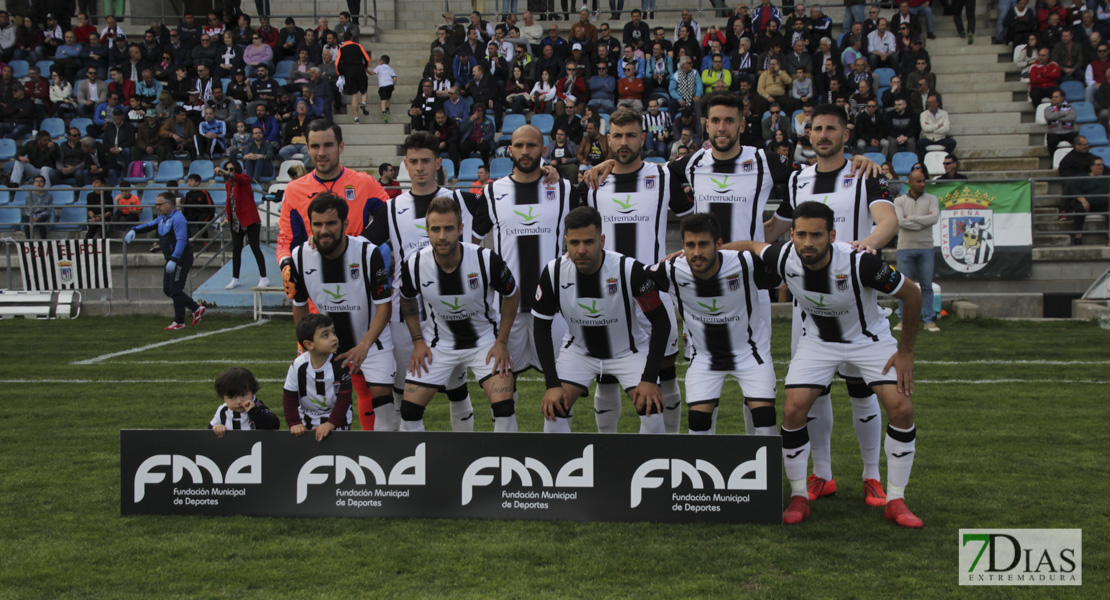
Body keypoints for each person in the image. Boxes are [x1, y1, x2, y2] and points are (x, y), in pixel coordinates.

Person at [731, 201, 925, 528]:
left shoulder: (861, 263)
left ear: (832, 235)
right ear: (791, 234)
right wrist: (707, 253)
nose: (808, 243)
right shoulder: (783, 256)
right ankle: (798, 497)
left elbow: (913, 294)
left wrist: (905, 352)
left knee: (901, 408)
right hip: (818, 342)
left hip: (869, 341)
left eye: (817, 235)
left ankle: (896, 500)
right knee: (793, 410)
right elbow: (751, 245)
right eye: (801, 234)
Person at [763, 103, 898, 506]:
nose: (822, 135)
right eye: (816, 128)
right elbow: (776, 229)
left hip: (854, 298)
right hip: (810, 305)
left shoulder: (864, 173)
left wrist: (868, 246)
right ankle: (823, 475)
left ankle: (872, 476)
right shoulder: (797, 179)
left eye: (830, 129)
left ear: (845, 133)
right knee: (814, 392)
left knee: (862, 389)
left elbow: (888, 221)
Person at [582, 107, 691, 433]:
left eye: (631, 135)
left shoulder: (663, 176)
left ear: (643, 137)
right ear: (608, 139)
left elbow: (694, 219)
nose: (624, 142)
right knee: (607, 375)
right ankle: (608, 447)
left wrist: (683, 254)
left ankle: (669, 448)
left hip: (654, 292)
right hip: (608, 295)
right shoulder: (593, 182)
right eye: (617, 135)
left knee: (666, 371)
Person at [532, 206, 670, 434]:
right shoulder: (553, 272)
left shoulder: (628, 269)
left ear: (602, 240)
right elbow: (541, 328)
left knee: (651, 411)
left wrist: (648, 378)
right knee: (554, 412)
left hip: (629, 352)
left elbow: (661, 322)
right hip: (579, 352)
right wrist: (552, 385)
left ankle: (652, 468)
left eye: (589, 242)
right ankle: (560, 469)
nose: (581, 249)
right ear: (566, 241)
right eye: (574, 243)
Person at [647, 212, 779, 435]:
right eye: (690, 245)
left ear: (719, 244)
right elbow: (630, 278)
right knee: (697, 426)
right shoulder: (671, 270)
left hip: (751, 354)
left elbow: (777, 258)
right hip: (704, 359)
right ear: (682, 245)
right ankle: (701, 470)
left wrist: (736, 246)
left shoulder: (744, 263)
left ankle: (765, 469)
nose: (697, 252)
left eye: (704, 245)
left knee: (765, 423)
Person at [482, 125, 580, 425]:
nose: (526, 152)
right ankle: (505, 461)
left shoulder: (563, 189)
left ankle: (559, 462)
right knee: (502, 398)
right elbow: (472, 246)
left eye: (532, 146)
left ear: (544, 150)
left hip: (554, 310)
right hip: (506, 312)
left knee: (560, 396)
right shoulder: (491, 192)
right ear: (509, 149)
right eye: (519, 145)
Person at [397, 196, 520, 433]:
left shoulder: (485, 259)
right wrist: (418, 341)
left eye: (449, 228)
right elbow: (407, 298)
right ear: (427, 230)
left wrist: (501, 342)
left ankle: (506, 465)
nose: (442, 236)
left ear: (460, 229)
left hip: (485, 342)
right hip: (438, 345)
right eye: (436, 229)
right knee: (409, 412)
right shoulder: (414, 264)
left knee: (504, 407)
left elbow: (512, 294)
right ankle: (418, 468)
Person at [289, 195, 395, 432]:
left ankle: (382, 459)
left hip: (372, 342)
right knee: (318, 407)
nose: (323, 230)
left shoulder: (368, 254)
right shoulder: (299, 256)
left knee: (384, 406)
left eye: (331, 224)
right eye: (317, 225)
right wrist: (306, 343)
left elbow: (384, 306)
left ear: (345, 225)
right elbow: (299, 303)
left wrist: (364, 346)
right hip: (328, 343)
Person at [123, 192, 206, 330]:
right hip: (171, 259)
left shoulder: (178, 219)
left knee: (175, 289)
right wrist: (134, 230)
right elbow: (150, 225)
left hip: (180, 258)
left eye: (160, 204)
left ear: (169, 204)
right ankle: (196, 308)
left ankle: (179, 321)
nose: (157, 207)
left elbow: (181, 240)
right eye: (156, 204)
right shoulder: (162, 218)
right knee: (168, 290)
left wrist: (174, 259)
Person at [281, 314, 354, 440]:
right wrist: (294, 423)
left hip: (338, 423)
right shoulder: (298, 365)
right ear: (309, 345)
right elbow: (289, 396)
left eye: (333, 332)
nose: (333, 338)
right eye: (326, 335)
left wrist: (331, 423)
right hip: (306, 423)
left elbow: (345, 398)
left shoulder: (340, 364)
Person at [894, 168, 941, 332]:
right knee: (903, 286)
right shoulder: (899, 201)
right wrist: (923, 221)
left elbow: (934, 218)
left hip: (926, 248)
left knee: (926, 286)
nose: (922, 184)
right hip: (905, 248)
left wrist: (912, 219)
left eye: (923, 181)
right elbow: (899, 221)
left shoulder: (932, 199)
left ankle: (928, 320)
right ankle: (902, 319)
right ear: (910, 182)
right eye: (919, 181)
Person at [215, 160, 269, 290]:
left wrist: (222, 171)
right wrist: (227, 216)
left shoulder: (244, 178)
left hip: (250, 219)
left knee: (255, 247)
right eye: (227, 169)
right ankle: (235, 278)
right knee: (236, 249)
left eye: (232, 169)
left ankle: (264, 277)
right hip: (236, 220)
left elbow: (238, 178)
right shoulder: (228, 184)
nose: (230, 172)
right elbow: (230, 201)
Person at [210, 367, 280, 438]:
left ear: (252, 392)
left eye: (243, 395)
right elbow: (209, 430)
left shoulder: (258, 407)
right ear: (223, 398)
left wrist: (253, 411)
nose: (239, 401)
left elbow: (274, 425)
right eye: (231, 397)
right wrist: (217, 427)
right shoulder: (223, 410)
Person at [1064, 155, 1109, 245]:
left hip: (1103, 204)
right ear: (1091, 166)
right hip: (1086, 204)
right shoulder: (1081, 177)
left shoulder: (1107, 177)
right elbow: (1075, 190)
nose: (1101, 166)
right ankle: (1078, 236)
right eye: (1098, 165)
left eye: (1102, 164)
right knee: (1079, 209)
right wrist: (1084, 201)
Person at [336, 38, 373, 122]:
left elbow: (337, 62)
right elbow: (367, 58)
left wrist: (339, 73)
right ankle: (363, 103)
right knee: (364, 90)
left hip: (349, 73)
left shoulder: (341, 49)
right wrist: (365, 67)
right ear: (351, 38)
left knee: (354, 94)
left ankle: (356, 118)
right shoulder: (358, 46)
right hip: (360, 70)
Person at [1045, 88, 1077, 152]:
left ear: (1062, 98)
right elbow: (1049, 117)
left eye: (1056, 97)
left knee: (1078, 141)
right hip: (1054, 133)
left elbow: (1072, 117)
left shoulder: (1070, 108)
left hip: (1069, 132)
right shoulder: (1048, 109)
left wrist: (1056, 117)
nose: (1053, 98)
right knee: (1051, 142)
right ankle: (1053, 159)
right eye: (1053, 97)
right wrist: (1064, 113)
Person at [21, 175, 52, 239]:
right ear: (34, 183)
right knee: (26, 223)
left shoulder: (49, 196)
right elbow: (27, 209)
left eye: (40, 181)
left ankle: (43, 241)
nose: (38, 183)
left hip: (43, 215)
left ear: (44, 184)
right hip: (32, 214)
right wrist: (33, 216)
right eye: (36, 181)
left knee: (40, 222)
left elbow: (48, 210)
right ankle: (29, 242)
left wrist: (38, 217)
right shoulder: (29, 195)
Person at [85, 176, 114, 240]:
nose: (94, 184)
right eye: (93, 183)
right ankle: (86, 245)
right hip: (94, 216)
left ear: (102, 185)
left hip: (104, 216)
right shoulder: (90, 195)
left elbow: (109, 212)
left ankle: (103, 245)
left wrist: (100, 218)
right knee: (92, 228)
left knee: (102, 228)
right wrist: (93, 218)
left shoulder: (108, 195)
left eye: (97, 182)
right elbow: (90, 210)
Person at [372, 54, 396, 123]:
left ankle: (383, 112)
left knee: (383, 100)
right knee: (388, 98)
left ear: (382, 61)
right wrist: (393, 85)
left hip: (383, 85)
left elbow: (372, 73)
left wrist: (366, 70)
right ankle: (388, 109)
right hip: (390, 85)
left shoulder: (379, 67)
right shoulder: (390, 69)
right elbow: (394, 78)